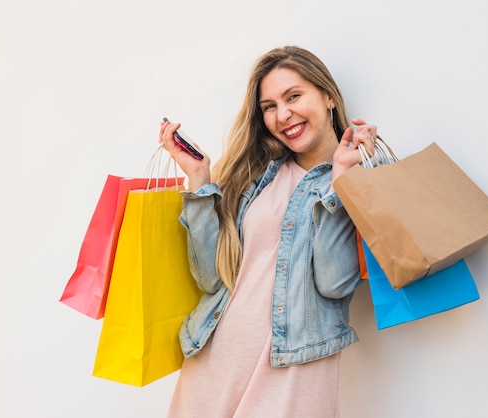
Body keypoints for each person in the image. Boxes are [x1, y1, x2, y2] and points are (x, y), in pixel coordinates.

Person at [158, 45, 378, 418]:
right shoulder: (258, 177)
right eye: (270, 106)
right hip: (216, 361)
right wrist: (198, 181)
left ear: (327, 96)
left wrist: (341, 178)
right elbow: (213, 279)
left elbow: (335, 283)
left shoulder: (358, 177)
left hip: (295, 369)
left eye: (294, 96)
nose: (283, 114)